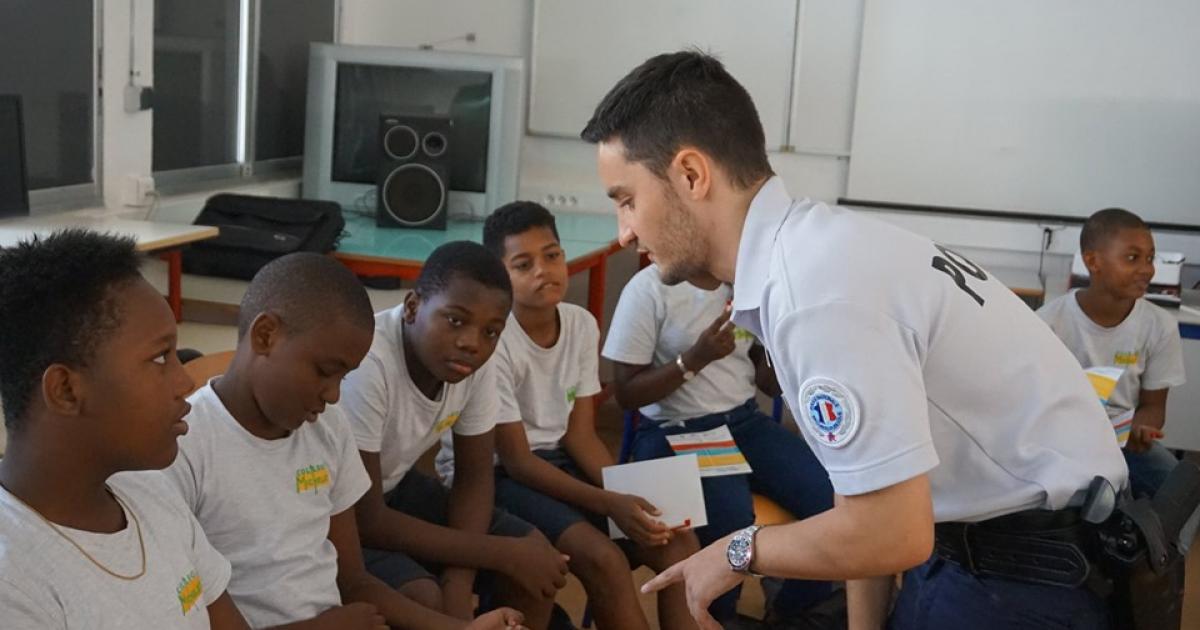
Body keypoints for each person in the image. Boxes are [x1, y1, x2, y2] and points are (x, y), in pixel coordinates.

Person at [580, 51, 1128, 629]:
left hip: (1017, 581)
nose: (624, 233)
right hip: (980, 553)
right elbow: (864, 498)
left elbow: (889, 530)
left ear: (691, 175)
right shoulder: (818, 251)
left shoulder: (817, 295)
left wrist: (739, 550)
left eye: (626, 199)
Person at [163, 252, 526, 630]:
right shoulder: (185, 447)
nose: (335, 395)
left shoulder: (326, 427)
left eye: (345, 376)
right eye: (325, 372)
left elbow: (352, 580)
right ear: (265, 335)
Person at [0, 230, 248, 629]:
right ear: (66, 391)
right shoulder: (14, 583)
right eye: (160, 358)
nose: (185, 382)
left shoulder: (149, 493)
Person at [480, 201, 701, 630]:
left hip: (562, 463)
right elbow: (518, 462)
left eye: (552, 255)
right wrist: (609, 502)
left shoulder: (580, 323)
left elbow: (581, 437)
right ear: (499, 278)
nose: (544, 270)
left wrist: (627, 495)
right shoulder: (496, 338)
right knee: (606, 560)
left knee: (679, 541)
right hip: (503, 477)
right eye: (523, 264)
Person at [340, 241, 570, 630]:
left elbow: (474, 477)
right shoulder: (370, 364)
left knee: (538, 560)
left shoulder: (474, 362)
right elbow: (368, 518)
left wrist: (459, 582)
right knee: (425, 595)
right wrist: (497, 554)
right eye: (456, 320)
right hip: (345, 509)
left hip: (397, 486)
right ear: (413, 307)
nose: (472, 342)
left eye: (491, 331)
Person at [603, 261, 837, 626]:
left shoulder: (744, 285)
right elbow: (628, 394)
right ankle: (715, 621)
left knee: (833, 499)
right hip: (677, 429)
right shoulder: (649, 288)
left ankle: (792, 612)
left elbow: (768, 384)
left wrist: (785, 335)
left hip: (744, 423)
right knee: (731, 521)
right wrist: (694, 359)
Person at [1038, 208, 1195, 550]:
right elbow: (1031, 406)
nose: (1146, 269)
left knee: (1182, 493)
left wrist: (1143, 428)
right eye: (1132, 257)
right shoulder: (1049, 323)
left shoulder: (1158, 325)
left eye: (1150, 258)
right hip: (1061, 443)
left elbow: (1154, 407)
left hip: (1125, 445)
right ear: (1093, 261)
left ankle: (1162, 568)